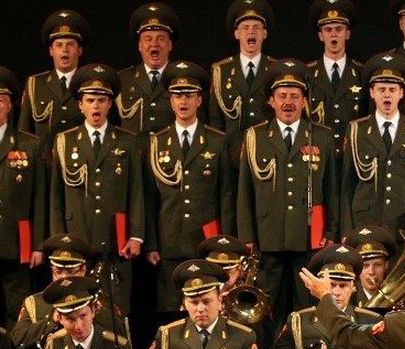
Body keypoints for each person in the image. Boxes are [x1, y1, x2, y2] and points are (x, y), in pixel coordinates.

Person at [236, 58, 338, 340]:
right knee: (269, 309)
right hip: (268, 239)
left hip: (309, 240)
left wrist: (331, 232)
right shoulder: (255, 136)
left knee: (307, 307)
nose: (288, 102)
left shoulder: (322, 136)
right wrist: (247, 236)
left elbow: (332, 190)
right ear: (271, 100)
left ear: (305, 100)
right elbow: (244, 192)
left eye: (295, 96)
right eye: (282, 96)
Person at [50, 63, 145, 313]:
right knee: (75, 307)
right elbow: (55, 196)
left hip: (117, 241)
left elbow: (136, 191)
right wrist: (59, 239)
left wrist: (136, 235)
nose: (96, 106)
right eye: (90, 100)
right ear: (80, 104)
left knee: (116, 307)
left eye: (102, 100)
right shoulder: (65, 141)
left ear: (110, 104)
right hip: (77, 237)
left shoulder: (127, 141)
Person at [144, 61, 235, 311]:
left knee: (206, 307)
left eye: (189, 95)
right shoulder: (157, 142)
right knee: (170, 308)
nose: (183, 102)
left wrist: (223, 242)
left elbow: (225, 195)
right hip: (169, 240)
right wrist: (152, 244)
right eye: (177, 96)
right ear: (170, 101)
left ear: (199, 100)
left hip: (206, 240)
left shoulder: (217, 141)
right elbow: (150, 200)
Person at [267, 244, 393, 349]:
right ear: (319, 286)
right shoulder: (298, 320)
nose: (337, 292)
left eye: (343, 285)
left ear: (353, 287)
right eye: (331, 285)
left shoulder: (371, 320)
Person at [340, 52, 405, 246]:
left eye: (392, 89)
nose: (387, 94)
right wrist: (346, 229)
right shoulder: (357, 129)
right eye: (381, 89)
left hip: (403, 223)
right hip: (365, 221)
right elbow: (347, 185)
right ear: (372, 93)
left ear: (402, 93)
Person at [147, 259, 263, 349]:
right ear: (185, 304)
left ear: (220, 301)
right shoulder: (168, 334)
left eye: (206, 301)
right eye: (194, 302)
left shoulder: (243, 335)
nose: (200, 309)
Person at [10, 234, 124, 349]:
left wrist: (92, 312)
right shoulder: (34, 302)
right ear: (52, 270)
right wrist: (52, 320)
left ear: (83, 270)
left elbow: (122, 337)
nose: (64, 277)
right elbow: (17, 340)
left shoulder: (100, 300)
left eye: (70, 271)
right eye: (58, 272)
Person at [0, 66, 46, 328]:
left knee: (17, 312)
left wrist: (38, 244)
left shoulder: (29, 144)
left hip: (16, 244)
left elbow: (39, 199)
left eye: (1, 100)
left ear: (10, 105)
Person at [209, 0, 276, 162]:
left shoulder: (276, 70)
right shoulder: (220, 71)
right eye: (245, 27)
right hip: (231, 156)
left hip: (268, 154)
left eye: (257, 27)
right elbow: (215, 120)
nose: (251, 32)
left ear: (265, 33)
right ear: (237, 33)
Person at [18, 9, 90, 149]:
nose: (65, 50)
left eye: (70, 44)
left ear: (79, 50)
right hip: (44, 165)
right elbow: (24, 133)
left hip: (80, 164)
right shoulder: (35, 84)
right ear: (51, 51)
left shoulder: (89, 82)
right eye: (59, 45)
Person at [306, 0, 367, 157]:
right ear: (321, 35)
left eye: (339, 29)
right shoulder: (307, 74)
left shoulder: (362, 73)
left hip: (353, 154)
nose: (333, 34)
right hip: (318, 155)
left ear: (347, 34)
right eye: (328, 30)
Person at [117, 2, 184, 139]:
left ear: (170, 45)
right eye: (148, 39)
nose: (154, 44)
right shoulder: (122, 80)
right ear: (140, 46)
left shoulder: (182, 78)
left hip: (170, 156)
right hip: (133, 158)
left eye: (161, 38)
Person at [342, 225, 396, 307]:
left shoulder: (396, 295)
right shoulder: (346, 298)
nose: (371, 272)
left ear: (386, 265)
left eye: (377, 265)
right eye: (365, 266)